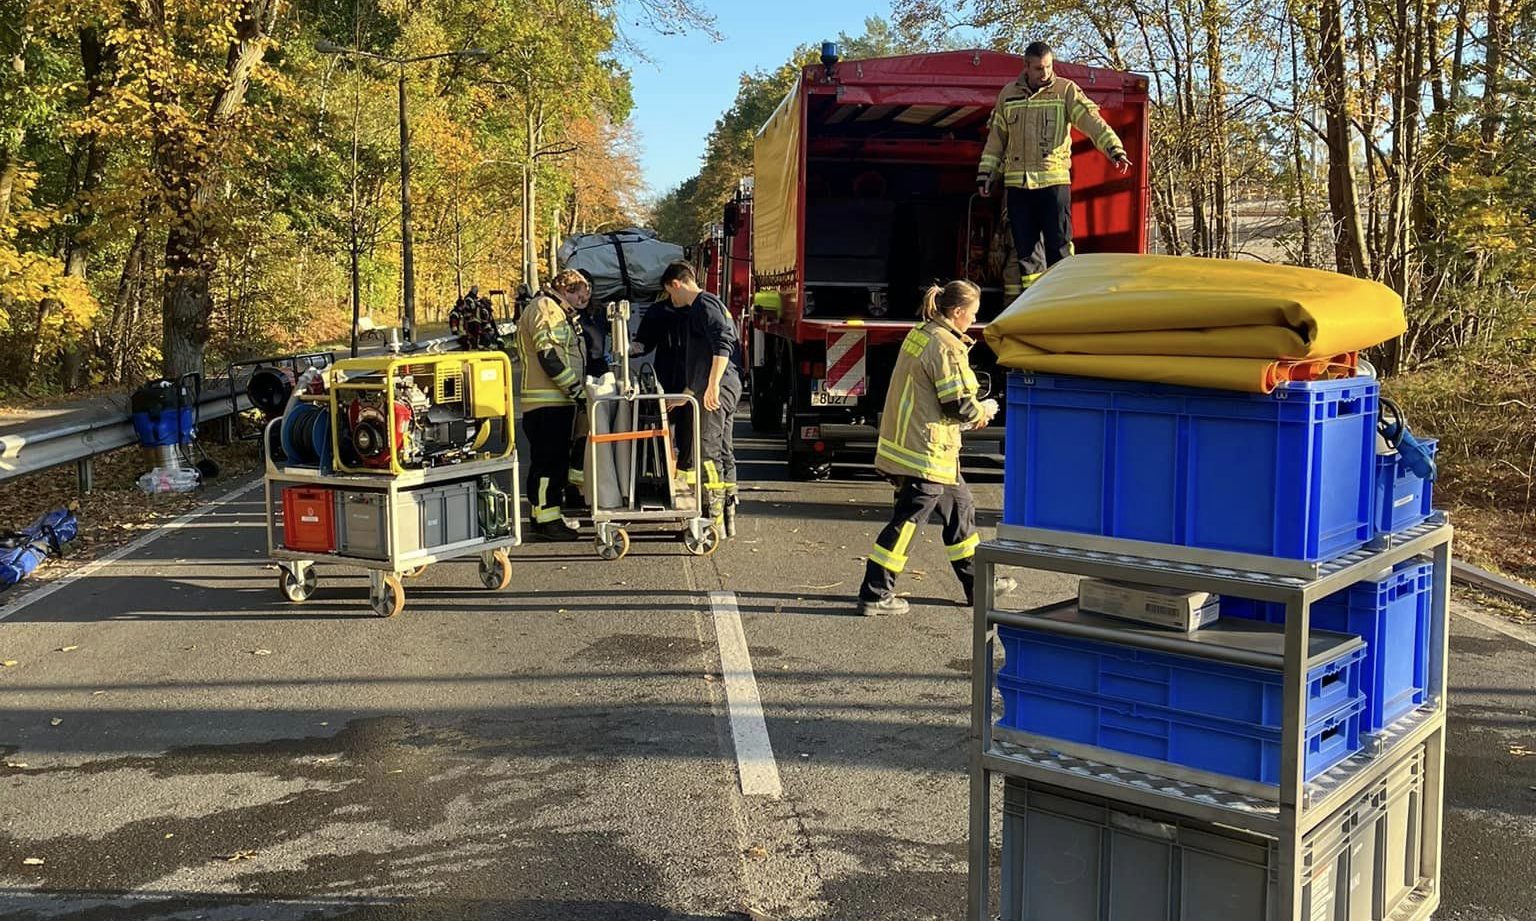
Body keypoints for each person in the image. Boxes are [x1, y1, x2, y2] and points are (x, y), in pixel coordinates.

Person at [857, 281, 997, 617]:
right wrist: (983, 411)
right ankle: (875, 592)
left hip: (922, 446)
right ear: (958, 311)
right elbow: (957, 404)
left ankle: (978, 584)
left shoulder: (923, 333)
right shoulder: (946, 346)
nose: (974, 320)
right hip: (924, 451)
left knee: (961, 506)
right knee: (908, 521)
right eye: (973, 313)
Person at [977, 41, 1132, 290]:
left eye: (1049, 67)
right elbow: (997, 139)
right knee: (1027, 255)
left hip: (1054, 185)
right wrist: (986, 173)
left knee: (1059, 248)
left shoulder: (1066, 90)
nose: (1045, 73)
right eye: (1039, 68)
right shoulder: (1008, 95)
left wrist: (1114, 149)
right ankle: (1035, 300)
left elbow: (1092, 122)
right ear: (1026, 66)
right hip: (1018, 188)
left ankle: (1062, 297)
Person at [654, 260, 742, 539]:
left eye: (670, 293)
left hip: (718, 387)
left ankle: (710, 519)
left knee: (708, 452)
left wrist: (712, 385)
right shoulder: (708, 305)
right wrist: (688, 394)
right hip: (719, 386)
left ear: (676, 284)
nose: (672, 300)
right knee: (723, 449)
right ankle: (726, 517)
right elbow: (702, 360)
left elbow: (722, 345)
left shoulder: (704, 305)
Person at [515, 269, 590, 540]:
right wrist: (576, 390)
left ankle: (544, 515)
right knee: (549, 463)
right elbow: (549, 356)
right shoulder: (546, 308)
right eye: (581, 295)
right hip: (547, 402)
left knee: (552, 462)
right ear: (566, 290)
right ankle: (548, 520)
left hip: (555, 401)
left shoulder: (557, 310)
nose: (584, 301)